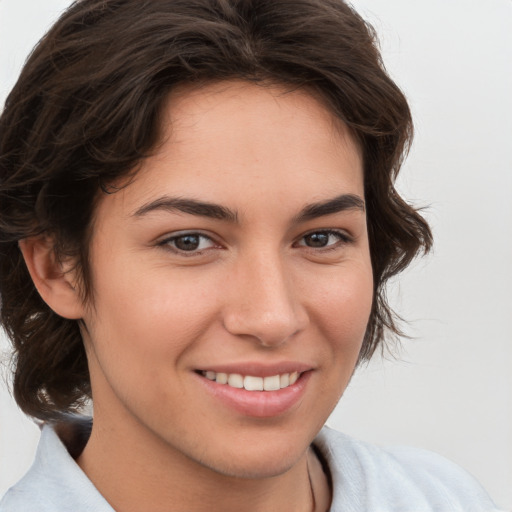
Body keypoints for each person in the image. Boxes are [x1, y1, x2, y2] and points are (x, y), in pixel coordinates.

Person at [0, 0, 501, 511]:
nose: (272, 318)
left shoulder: (446, 499)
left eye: (320, 238)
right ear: (57, 268)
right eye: (188, 241)